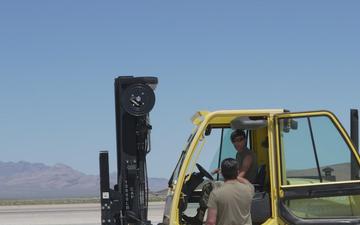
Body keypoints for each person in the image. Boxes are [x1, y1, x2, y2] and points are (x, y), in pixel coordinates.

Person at [206, 158, 254, 225]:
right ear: (237, 172)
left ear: (222, 173)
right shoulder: (249, 189)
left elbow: (211, 222)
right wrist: (235, 175)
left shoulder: (215, 194)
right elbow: (246, 182)